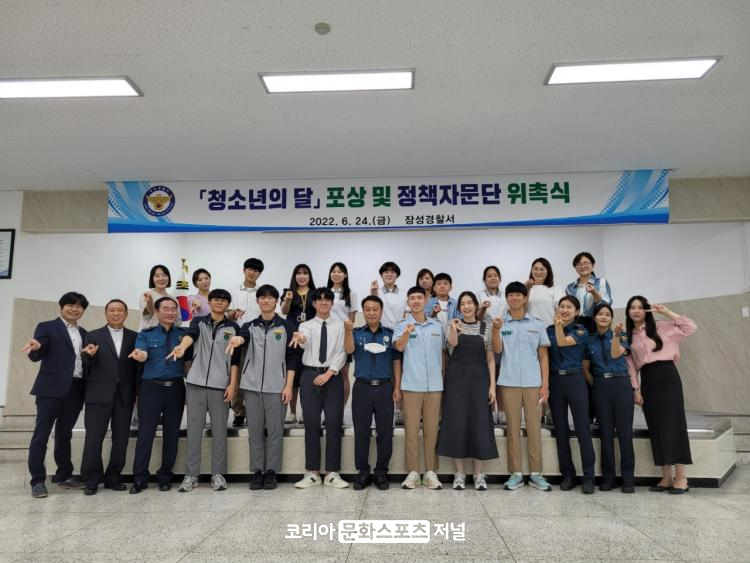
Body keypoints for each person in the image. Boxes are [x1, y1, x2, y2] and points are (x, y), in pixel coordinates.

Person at [168, 289, 241, 493]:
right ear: (209, 302)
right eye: (215, 299)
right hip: (196, 383)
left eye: (223, 300)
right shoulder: (198, 322)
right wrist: (182, 347)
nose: (219, 303)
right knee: (193, 431)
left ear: (228, 304)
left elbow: (235, 361)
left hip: (221, 386)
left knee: (220, 431)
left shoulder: (234, 328)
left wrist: (232, 385)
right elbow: (190, 336)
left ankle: (218, 474)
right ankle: (191, 475)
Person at [226, 284, 297, 490]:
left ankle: (272, 471)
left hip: (277, 387)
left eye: (270, 297)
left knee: (275, 432)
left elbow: (292, 358)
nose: (266, 300)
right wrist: (238, 339)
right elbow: (243, 340)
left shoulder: (286, 326)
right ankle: (257, 471)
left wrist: (289, 386)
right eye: (262, 297)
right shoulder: (249, 326)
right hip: (252, 387)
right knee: (255, 431)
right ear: (257, 301)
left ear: (276, 301)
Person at [21, 292, 90, 498]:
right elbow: (38, 351)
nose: (74, 309)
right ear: (61, 307)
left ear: (83, 310)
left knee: (64, 434)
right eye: (70, 305)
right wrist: (36, 348)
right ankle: (37, 480)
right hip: (50, 389)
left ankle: (64, 475)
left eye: (79, 306)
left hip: (76, 388)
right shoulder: (47, 327)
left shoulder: (85, 333)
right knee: (41, 434)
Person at [625, 297, 697, 494]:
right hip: (648, 379)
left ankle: (681, 477)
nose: (636, 311)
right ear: (628, 311)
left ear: (647, 310)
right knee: (656, 426)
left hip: (667, 375)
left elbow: (690, 327)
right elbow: (630, 366)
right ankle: (666, 476)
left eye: (641, 307)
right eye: (633, 307)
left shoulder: (662, 326)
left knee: (675, 424)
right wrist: (636, 390)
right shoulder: (629, 336)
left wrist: (666, 312)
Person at [437, 291, 500, 491]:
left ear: (476, 305)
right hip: (456, 381)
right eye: (463, 304)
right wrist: (453, 328)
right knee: (457, 424)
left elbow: (490, 358)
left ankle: (478, 474)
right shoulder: (453, 325)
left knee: (479, 424)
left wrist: (492, 386)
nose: (466, 306)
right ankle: (460, 473)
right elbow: (452, 345)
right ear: (459, 308)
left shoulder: (486, 327)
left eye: (470, 302)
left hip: (480, 381)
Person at [129, 297, 189, 494]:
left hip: (176, 388)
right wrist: (140, 355)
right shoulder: (146, 334)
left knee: (172, 434)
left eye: (173, 309)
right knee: (145, 433)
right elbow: (142, 353)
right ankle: (140, 477)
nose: (170, 312)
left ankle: (165, 476)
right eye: (165, 309)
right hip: (151, 388)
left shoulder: (183, 335)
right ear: (156, 312)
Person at [496, 281, 552, 492]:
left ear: (525, 298)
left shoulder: (537, 324)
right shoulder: (501, 324)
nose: (514, 298)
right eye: (511, 295)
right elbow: (497, 350)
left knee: (534, 428)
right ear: (507, 299)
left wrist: (545, 384)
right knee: (512, 428)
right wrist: (496, 330)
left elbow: (543, 356)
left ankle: (536, 473)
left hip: (532, 383)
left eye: (518, 295)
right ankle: (516, 473)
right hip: (508, 382)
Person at [291, 288, 349, 489]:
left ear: (332, 303)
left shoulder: (340, 325)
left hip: (332, 376)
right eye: (320, 300)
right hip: (309, 375)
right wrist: (301, 338)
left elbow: (342, 351)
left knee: (334, 423)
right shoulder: (305, 325)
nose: (324, 303)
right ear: (314, 304)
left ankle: (332, 472)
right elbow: (305, 340)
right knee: (311, 423)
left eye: (327, 300)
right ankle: (313, 472)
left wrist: (329, 373)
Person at [79, 299, 138, 495]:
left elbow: (137, 367)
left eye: (120, 310)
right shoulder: (93, 335)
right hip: (98, 394)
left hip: (125, 395)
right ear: (105, 314)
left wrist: (137, 392)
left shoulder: (135, 337)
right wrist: (90, 355)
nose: (116, 313)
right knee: (94, 438)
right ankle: (91, 479)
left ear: (126, 314)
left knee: (121, 439)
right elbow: (86, 361)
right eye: (112, 310)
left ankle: (114, 477)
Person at [344, 295, 402, 491]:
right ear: (363, 311)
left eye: (375, 309)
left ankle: (381, 472)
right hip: (362, 387)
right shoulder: (356, 333)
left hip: (385, 387)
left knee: (385, 432)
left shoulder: (390, 334)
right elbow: (349, 350)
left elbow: (396, 362)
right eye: (367, 309)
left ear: (381, 311)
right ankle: (362, 472)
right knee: (361, 431)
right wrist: (347, 331)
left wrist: (397, 387)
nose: (371, 313)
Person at [393, 286, 445, 490]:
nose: (416, 301)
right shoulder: (402, 325)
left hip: (435, 385)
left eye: (419, 298)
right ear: (408, 302)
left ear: (426, 300)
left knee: (432, 429)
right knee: (412, 429)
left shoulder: (437, 326)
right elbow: (399, 347)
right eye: (412, 298)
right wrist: (407, 333)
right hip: (411, 384)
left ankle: (431, 471)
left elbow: (443, 354)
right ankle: (413, 471)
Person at [583, 303, 635, 493]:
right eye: (600, 314)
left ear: (611, 318)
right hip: (600, 386)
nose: (604, 317)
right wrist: (597, 383)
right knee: (605, 433)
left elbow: (615, 353)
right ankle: (608, 477)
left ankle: (628, 478)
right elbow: (585, 368)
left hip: (621, 384)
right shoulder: (588, 340)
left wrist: (616, 336)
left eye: (607, 314)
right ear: (594, 317)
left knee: (624, 433)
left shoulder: (621, 335)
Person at [547, 295, 596, 494]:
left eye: (569, 307)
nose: (564, 310)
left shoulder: (581, 331)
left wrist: (558, 326)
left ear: (577, 312)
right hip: (555, 381)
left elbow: (563, 342)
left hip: (575, 380)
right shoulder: (548, 330)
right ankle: (568, 474)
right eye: (562, 306)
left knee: (582, 428)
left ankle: (589, 476)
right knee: (561, 430)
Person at [228, 258, 265, 428]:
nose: (252, 273)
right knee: (237, 375)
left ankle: (253, 411)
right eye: (249, 269)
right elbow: (228, 315)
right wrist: (233, 314)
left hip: (259, 340)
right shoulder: (233, 291)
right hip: (238, 339)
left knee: (256, 376)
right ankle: (239, 412)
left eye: (256, 270)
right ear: (244, 270)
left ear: (259, 273)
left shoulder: (263, 292)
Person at [370, 261, 407, 425]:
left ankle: (400, 410)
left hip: (399, 336)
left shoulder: (404, 294)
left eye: (393, 272)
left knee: (401, 374)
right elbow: (374, 310)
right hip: (382, 336)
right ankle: (384, 410)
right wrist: (373, 293)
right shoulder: (376, 291)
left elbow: (406, 315)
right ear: (381, 275)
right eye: (386, 272)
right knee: (385, 373)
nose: (389, 274)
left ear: (397, 275)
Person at [281, 263, 316, 424]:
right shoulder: (288, 292)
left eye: (305, 273)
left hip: (310, 337)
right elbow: (284, 311)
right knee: (293, 374)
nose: (302, 276)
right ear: (294, 276)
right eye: (299, 273)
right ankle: (293, 412)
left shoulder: (315, 293)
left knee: (307, 376)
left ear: (309, 276)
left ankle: (305, 411)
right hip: (292, 335)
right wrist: (288, 300)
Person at [476, 265, 506, 424]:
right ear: (484, 279)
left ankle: (502, 412)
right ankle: (492, 411)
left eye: (495, 275)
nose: (493, 278)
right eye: (489, 276)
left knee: (502, 374)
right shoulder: (479, 295)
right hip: (485, 336)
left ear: (500, 278)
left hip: (503, 337)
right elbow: (476, 318)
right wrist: (482, 309)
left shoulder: (506, 296)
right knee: (489, 375)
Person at [327, 262, 360, 407]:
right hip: (326, 337)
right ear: (330, 274)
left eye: (340, 272)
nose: (336, 274)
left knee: (343, 374)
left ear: (345, 275)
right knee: (327, 372)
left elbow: (351, 319)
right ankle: (328, 406)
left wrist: (347, 335)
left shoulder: (350, 293)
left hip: (343, 338)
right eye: (334, 271)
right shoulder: (325, 292)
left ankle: (341, 407)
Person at [565, 252, 612, 333]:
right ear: (575, 267)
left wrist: (594, 292)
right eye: (578, 264)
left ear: (593, 265)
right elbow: (569, 308)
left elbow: (606, 305)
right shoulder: (570, 287)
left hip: (596, 323)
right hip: (575, 324)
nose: (582, 266)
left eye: (586, 263)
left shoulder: (601, 282)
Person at [525, 258, 564, 328]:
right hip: (529, 329)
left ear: (548, 271)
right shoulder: (525, 288)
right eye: (535, 269)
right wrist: (527, 289)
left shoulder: (555, 289)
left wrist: (558, 328)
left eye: (542, 269)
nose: (538, 272)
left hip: (549, 329)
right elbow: (521, 310)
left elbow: (560, 312)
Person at [139, 264, 179, 330]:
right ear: (152, 279)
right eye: (157, 276)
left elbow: (177, 321)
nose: (161, 278)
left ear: (168, 278)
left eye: (164, 275)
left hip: (168, 334)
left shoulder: (174, 299)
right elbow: (150, 312)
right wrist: (150, 301)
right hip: (148, 333)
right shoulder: (147, 295)